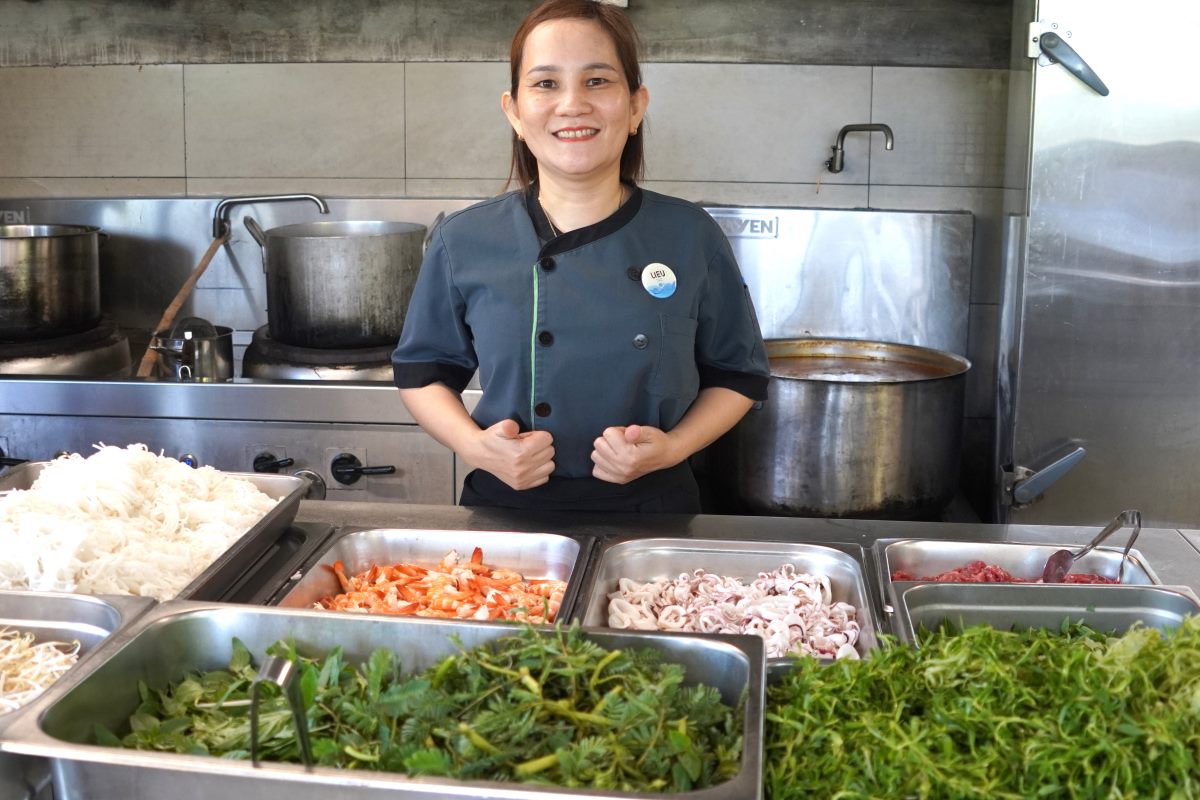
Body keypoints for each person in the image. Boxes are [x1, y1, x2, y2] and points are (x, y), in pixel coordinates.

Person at [391, 0, 768, 513]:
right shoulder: (465, 238)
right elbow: (423, 372)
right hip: (507, 510)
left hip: (654, 513)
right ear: (514, 112)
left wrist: (673, 449)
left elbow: (737, 374)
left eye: (597, 81)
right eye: (546, 84)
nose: (572, 104)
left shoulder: (688, 234)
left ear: (636, 106)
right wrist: (477, 447)